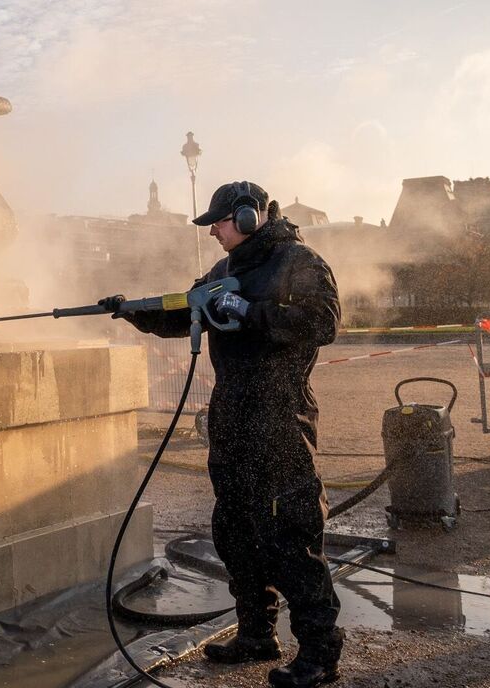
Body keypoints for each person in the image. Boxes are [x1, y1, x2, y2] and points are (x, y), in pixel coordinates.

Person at [103, 181, 344, 687]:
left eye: (218, 221)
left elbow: (323, 322)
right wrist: (131, 311)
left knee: (291, 534)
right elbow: (183, 310)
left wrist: (252, 313)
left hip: (279, 416)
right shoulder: (224, 270)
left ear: (250, 216)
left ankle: (320, 654)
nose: (211, 230)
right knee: (235, 530)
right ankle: (257, 633)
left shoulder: (298, 261)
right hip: (232, 415)